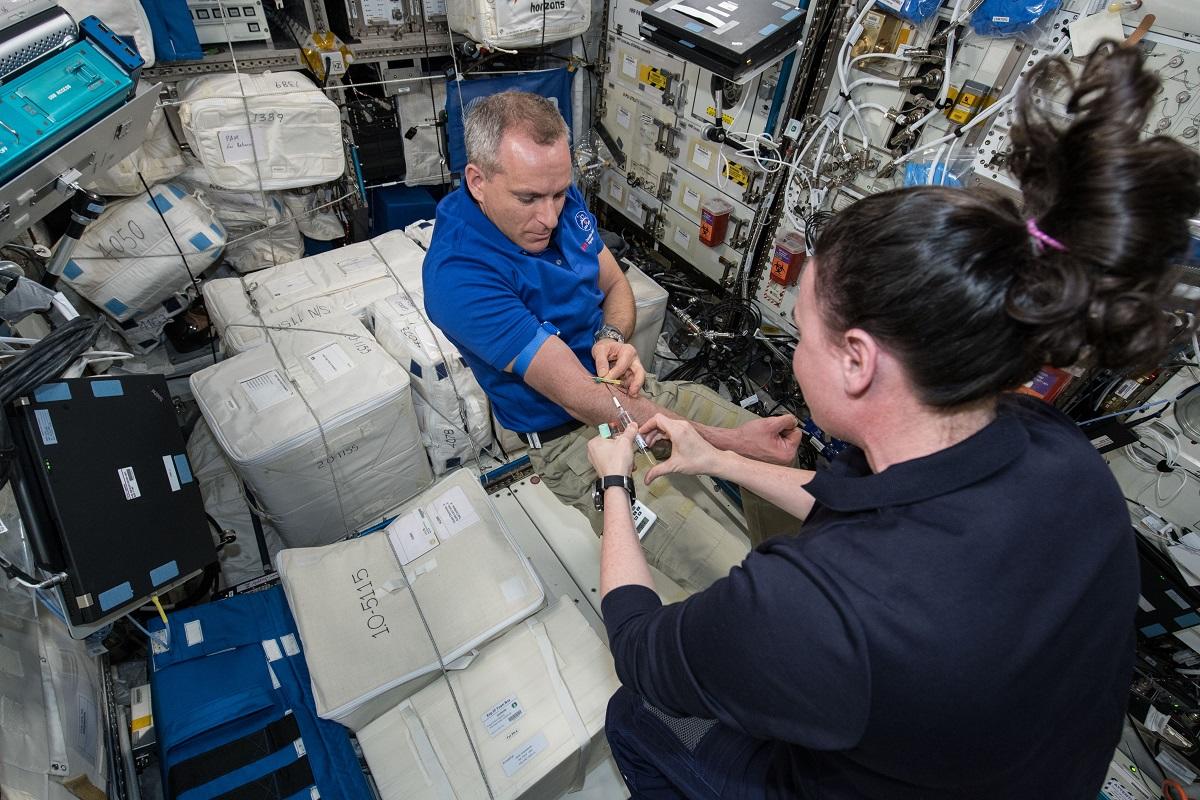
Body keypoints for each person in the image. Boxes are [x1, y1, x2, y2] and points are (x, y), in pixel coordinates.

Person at [585, 43, 1200, 798]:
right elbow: (878, 509)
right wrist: (719, 459)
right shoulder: (1061, 456)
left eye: (802, 332)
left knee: (636, 714)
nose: (794, 351)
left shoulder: (810, 609)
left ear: (857, 359)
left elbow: (642, 648)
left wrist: (615, 485)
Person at [423, 90, 800, 593]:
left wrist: (610, 335)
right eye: (530, 199)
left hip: (631, 397)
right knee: (742, 579)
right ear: (478, 182)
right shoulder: (460, 277)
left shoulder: (552, 196)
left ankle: (802, 570)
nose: (551, 216)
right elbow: (585, 399)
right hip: (574, 440)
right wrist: (727, 447)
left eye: (560, 193)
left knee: (779, 450)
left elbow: (616, 286)